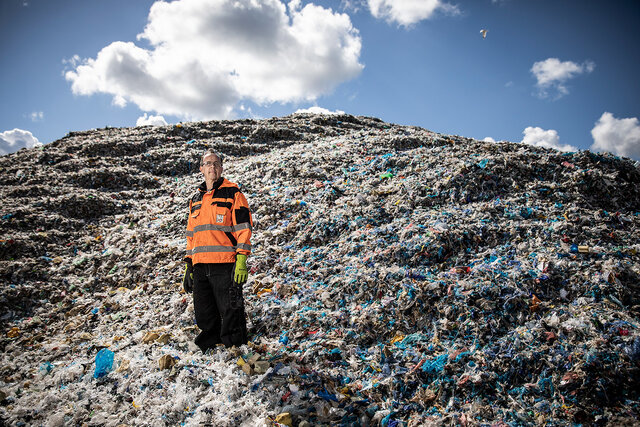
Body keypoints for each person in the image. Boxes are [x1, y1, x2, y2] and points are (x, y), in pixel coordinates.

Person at [182, 149, 253, 352]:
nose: (212, 167)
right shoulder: (195, 198)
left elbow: (244, 228)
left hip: (225, 262)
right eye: (208, 164)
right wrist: (189, 264)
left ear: (221, 168)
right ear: (201, 169)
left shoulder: (233, 193)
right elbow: (191, 234)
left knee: (231, 308)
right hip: (201, 265)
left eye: (216, 163)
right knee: (204, 311)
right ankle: (209, 344)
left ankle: (236, 346)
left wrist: (241, 260)